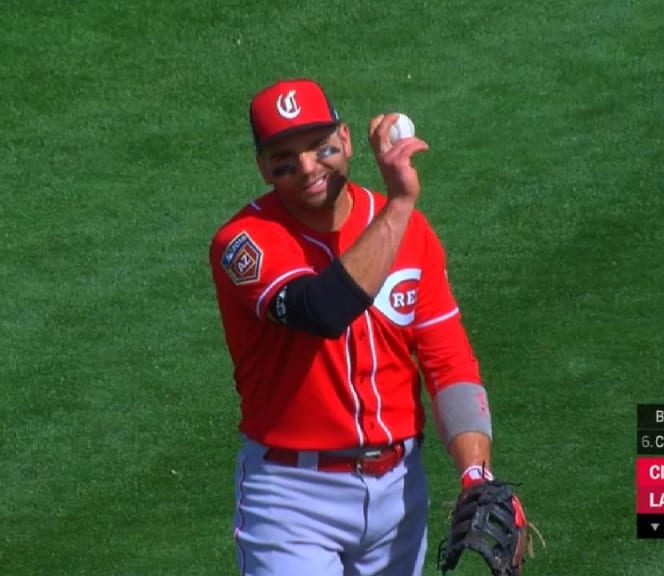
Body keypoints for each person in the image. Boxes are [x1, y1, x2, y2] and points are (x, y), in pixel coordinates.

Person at [209, 78, 507, 576]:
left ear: (345, 140)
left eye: (320, 147)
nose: (308, 168)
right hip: (292, 499)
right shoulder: (245, 243)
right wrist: (399, 204)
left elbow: (449, 361)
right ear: (263, 168)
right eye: (284, 160)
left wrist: (475, 473)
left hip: (400, 491)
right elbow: (321, 310)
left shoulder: (412, 233)